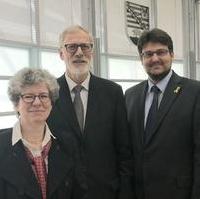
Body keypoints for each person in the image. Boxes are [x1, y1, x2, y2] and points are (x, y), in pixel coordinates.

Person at [47, 25, 133, 199]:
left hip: (105, 191)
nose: (79, 52)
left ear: (92, 52)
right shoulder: (48, 93)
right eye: (72, 47)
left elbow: (124, 149)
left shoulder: (113, 92)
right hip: (62, 192)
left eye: (85, 46)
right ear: (61, 54)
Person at [125, 28, 200, 199]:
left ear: (172, 54)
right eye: (148, 54)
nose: (155, 58)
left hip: (179, 192)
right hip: (139, 192)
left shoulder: (195, 92)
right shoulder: (130, 95)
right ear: (141, 59)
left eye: (161, 52)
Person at [0, 68, 84, 199]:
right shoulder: (2, 145)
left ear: (51, 102)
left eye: (43, 96)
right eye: (28, 97)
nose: (37, 102)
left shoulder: (68, 144)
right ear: (16, 104)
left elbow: (79, 193)